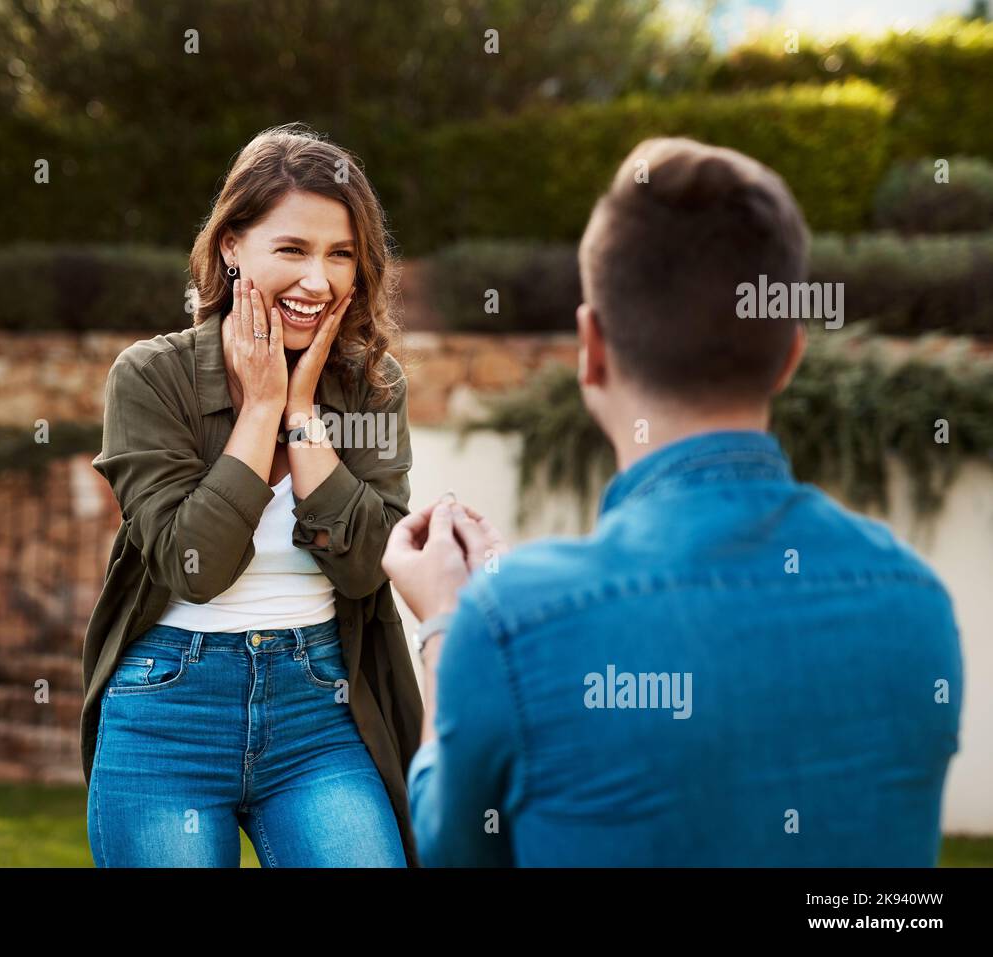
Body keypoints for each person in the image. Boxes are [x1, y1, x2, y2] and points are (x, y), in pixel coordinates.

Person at [382, 137, 964, 867]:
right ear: (791, 352)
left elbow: (451, 849)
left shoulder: (509, 626)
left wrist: (447, 621)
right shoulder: (917, 605)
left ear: (591, 347)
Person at [82, 124, 423, 867]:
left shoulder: (371, 386)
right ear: (232, 246)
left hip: (321, 710)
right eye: (293, 249)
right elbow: (195, 564)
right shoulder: (150, 377)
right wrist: (262, 406)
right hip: (168, 708)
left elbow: (366, 568)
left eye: (340, 255)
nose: (319, 280)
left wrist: (303, 418)